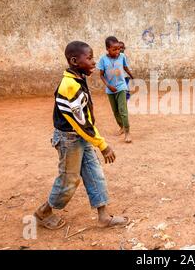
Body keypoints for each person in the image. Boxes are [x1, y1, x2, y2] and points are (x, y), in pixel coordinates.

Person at [34, 41, 128, 230]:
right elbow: (82, 123)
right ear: (75, 61)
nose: (94, 62)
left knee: (94, 173)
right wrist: (103, 145)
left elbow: (85, 122)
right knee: (69, 179)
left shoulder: (77, 77)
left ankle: (103, 217)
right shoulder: (70, 85)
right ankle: (43, 212)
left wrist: (95, 141)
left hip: (80, 136)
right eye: (90, 58)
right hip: (69, 139)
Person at [98, 36, 134, 143]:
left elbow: (125, 67)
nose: (117, 51)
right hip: (110, 89)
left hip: (121, 86)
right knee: (115, 111)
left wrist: (132, 75)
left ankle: (127, 132)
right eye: (114, 49)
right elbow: (101, 75)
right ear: (107, 49)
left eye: (119, 49)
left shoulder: (122, 56)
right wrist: (108, 86)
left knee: (123, 110)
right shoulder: (103, 60)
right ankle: (121, 126)